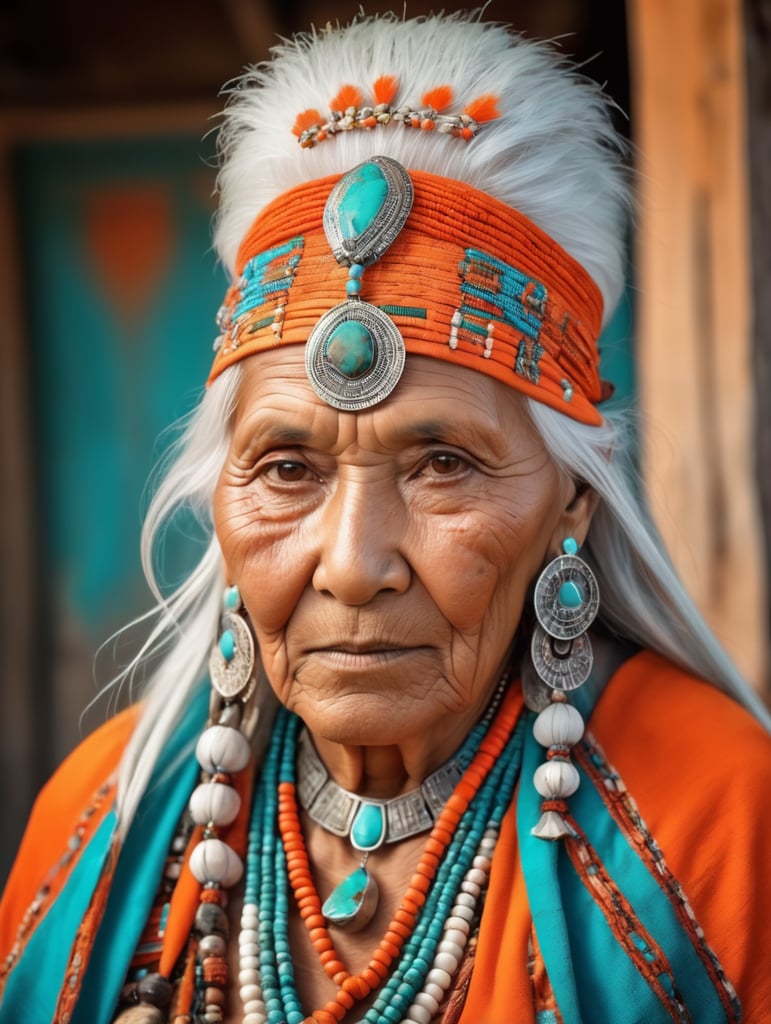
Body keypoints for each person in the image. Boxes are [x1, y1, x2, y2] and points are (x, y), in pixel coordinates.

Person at [1, 12, 769, 1024]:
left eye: (444, 463)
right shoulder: (93, 823)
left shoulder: (722, 823)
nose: (354, 564)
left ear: (569, 504)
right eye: (285, 467)